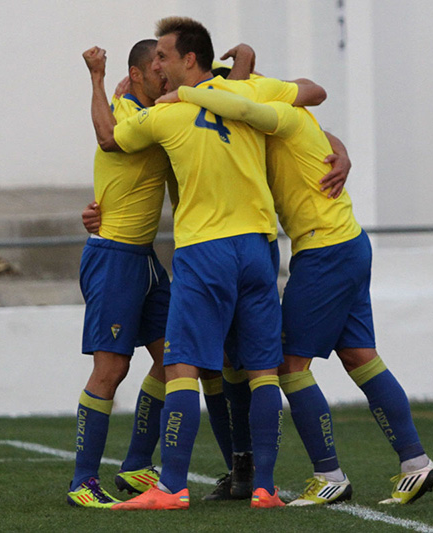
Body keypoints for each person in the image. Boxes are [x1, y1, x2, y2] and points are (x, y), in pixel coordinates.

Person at [82, 16, 326, 511]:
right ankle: (263, 487)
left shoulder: (167, 114)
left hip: (205, 250)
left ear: (188, 59)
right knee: (261, 369)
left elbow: (111, 141)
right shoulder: (250, 96)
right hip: (259, 248)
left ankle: (170, 486)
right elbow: (311, 100)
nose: (157, 67)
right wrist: (335, 148)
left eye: (164, 58)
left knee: (183, 366)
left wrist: (99, 82)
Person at [168, 83, 433, 505]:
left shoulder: (273, 113)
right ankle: (416, 463)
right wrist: (341, 150)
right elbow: (313, 116)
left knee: (289, 365)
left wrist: (185, 92)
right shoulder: (275, 119)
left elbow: (258, 101)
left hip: (324, 249)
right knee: (360, 357)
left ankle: (328, 473)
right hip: (347, 241)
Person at [66, 39, 175, 509]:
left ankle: (134, 466)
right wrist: (94, 77)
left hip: (145, 258)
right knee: (111, 368)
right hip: (113, 256)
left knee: (173, 360)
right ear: (136, 74)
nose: (164, 72)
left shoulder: (151, 110)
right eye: (157, 66)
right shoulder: (125, 111)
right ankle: (82, 481)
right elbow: (107, 138)